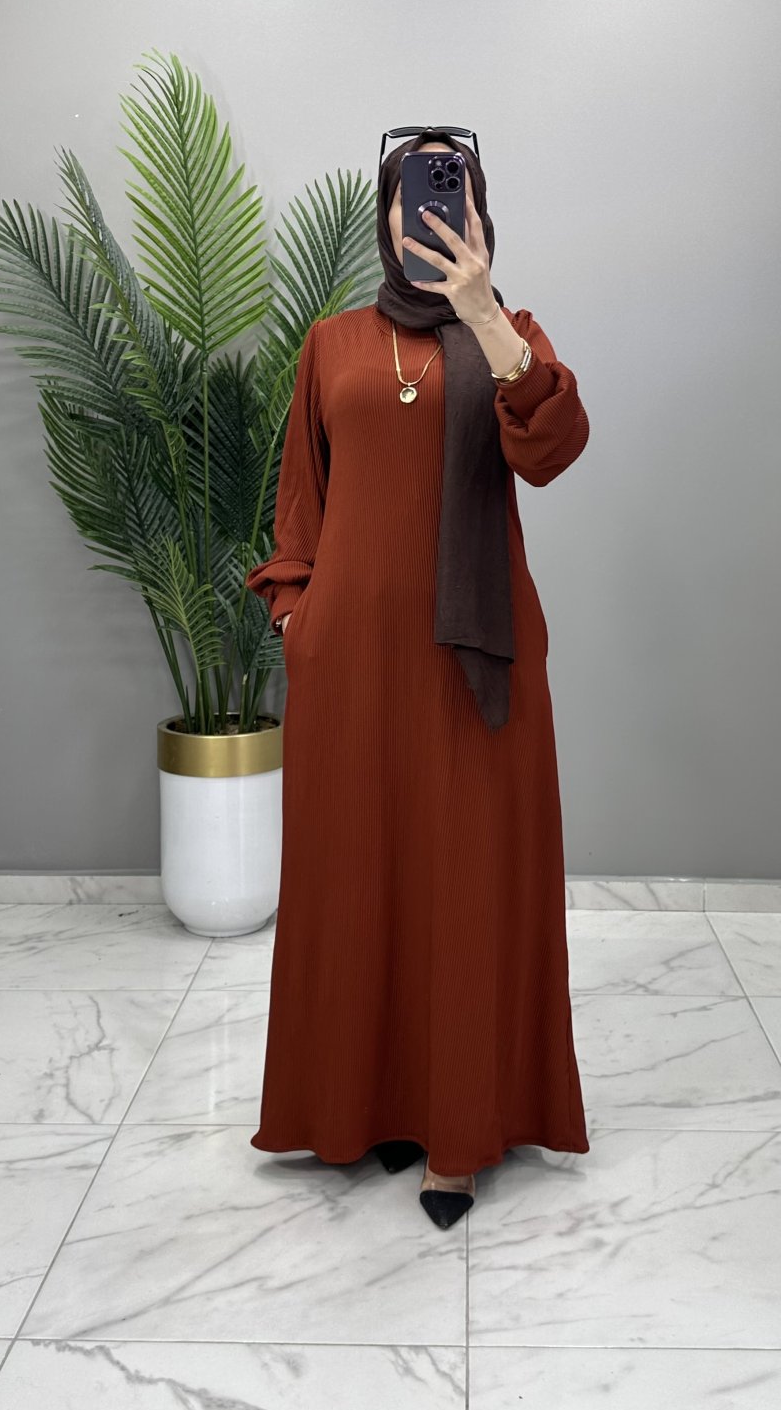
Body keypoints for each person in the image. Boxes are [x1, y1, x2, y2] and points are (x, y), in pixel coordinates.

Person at [245, 127, 591, 1229]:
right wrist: (295, 615)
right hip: (349, 663)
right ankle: (370, 1107)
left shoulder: (513, 335)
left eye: (451, 190)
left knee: (464, 881)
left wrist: (484, 313)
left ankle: (458, 1132)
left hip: (473, 657)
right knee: (362, 877)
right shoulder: (331, 342)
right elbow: (300, 499)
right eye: (411, 192)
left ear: (479, 211)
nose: (429, 211)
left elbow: (553, 447)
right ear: (384, 214)